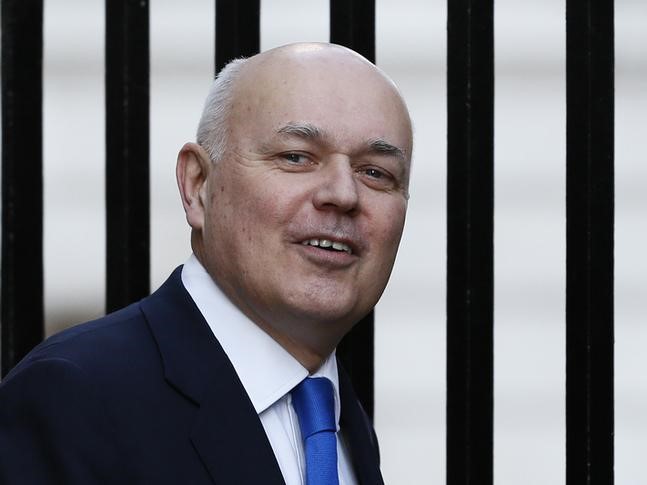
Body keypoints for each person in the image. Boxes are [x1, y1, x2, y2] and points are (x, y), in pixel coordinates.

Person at [0, 42, 412, 484]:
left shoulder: (339, 419)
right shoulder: (74, 398)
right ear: (198, 185)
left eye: (375, 173)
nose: (343, 194)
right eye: (296, 157)